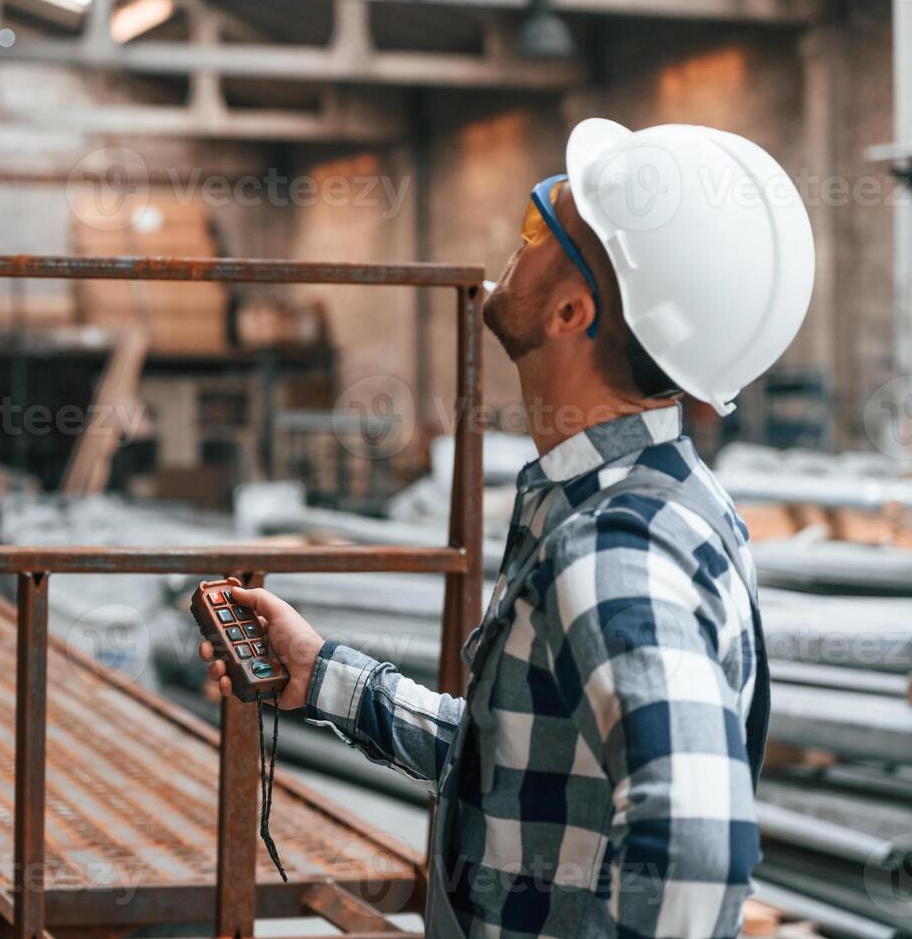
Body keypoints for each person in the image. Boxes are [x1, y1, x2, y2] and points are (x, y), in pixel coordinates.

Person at [200, 119, 814, 939]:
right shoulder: (657, 495)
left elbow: (696, 849)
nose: (513, 246)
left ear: (570, 310)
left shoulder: (614, 547)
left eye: (538, 228)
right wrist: (323, 678)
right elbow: (524, 767)